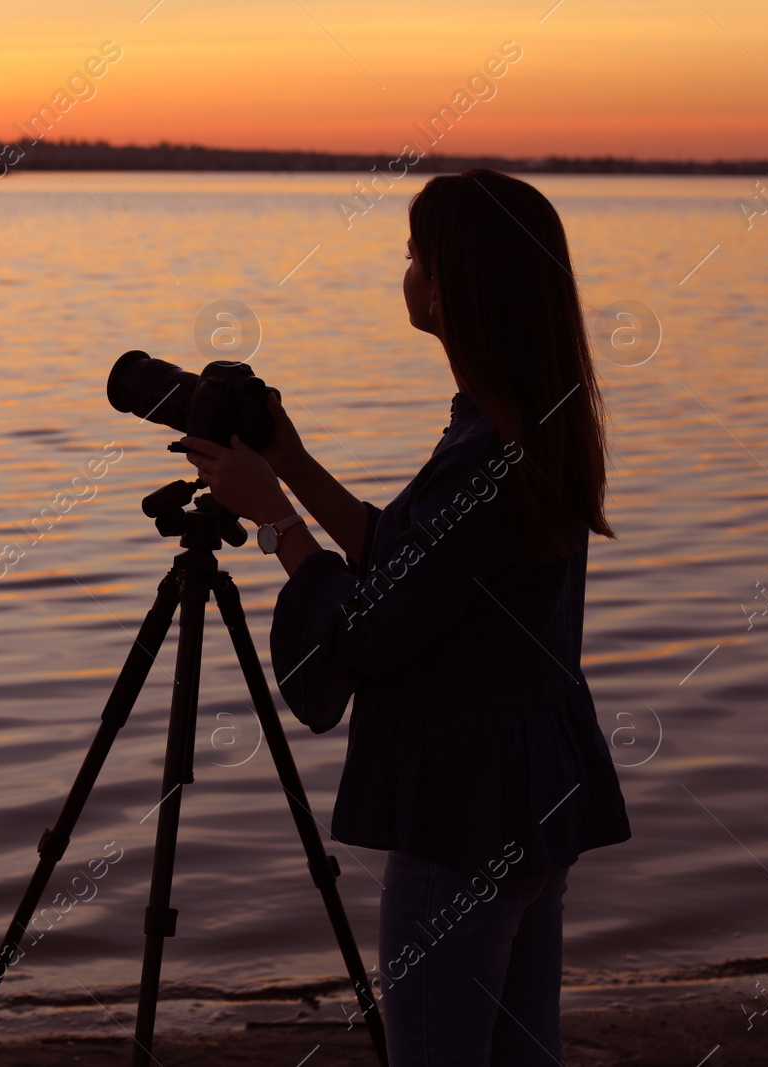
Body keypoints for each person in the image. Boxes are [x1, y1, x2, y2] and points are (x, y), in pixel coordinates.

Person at [180, 169, 631, 1066]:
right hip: (532, 794)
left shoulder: (485, 453)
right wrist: (294, 467)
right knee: (522, 1051)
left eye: (416, 254)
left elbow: (368, 632)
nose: (409, 270)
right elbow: (417, 562)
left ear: (453, 284)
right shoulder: (525, 424)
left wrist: (277, 524)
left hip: (460, 812)